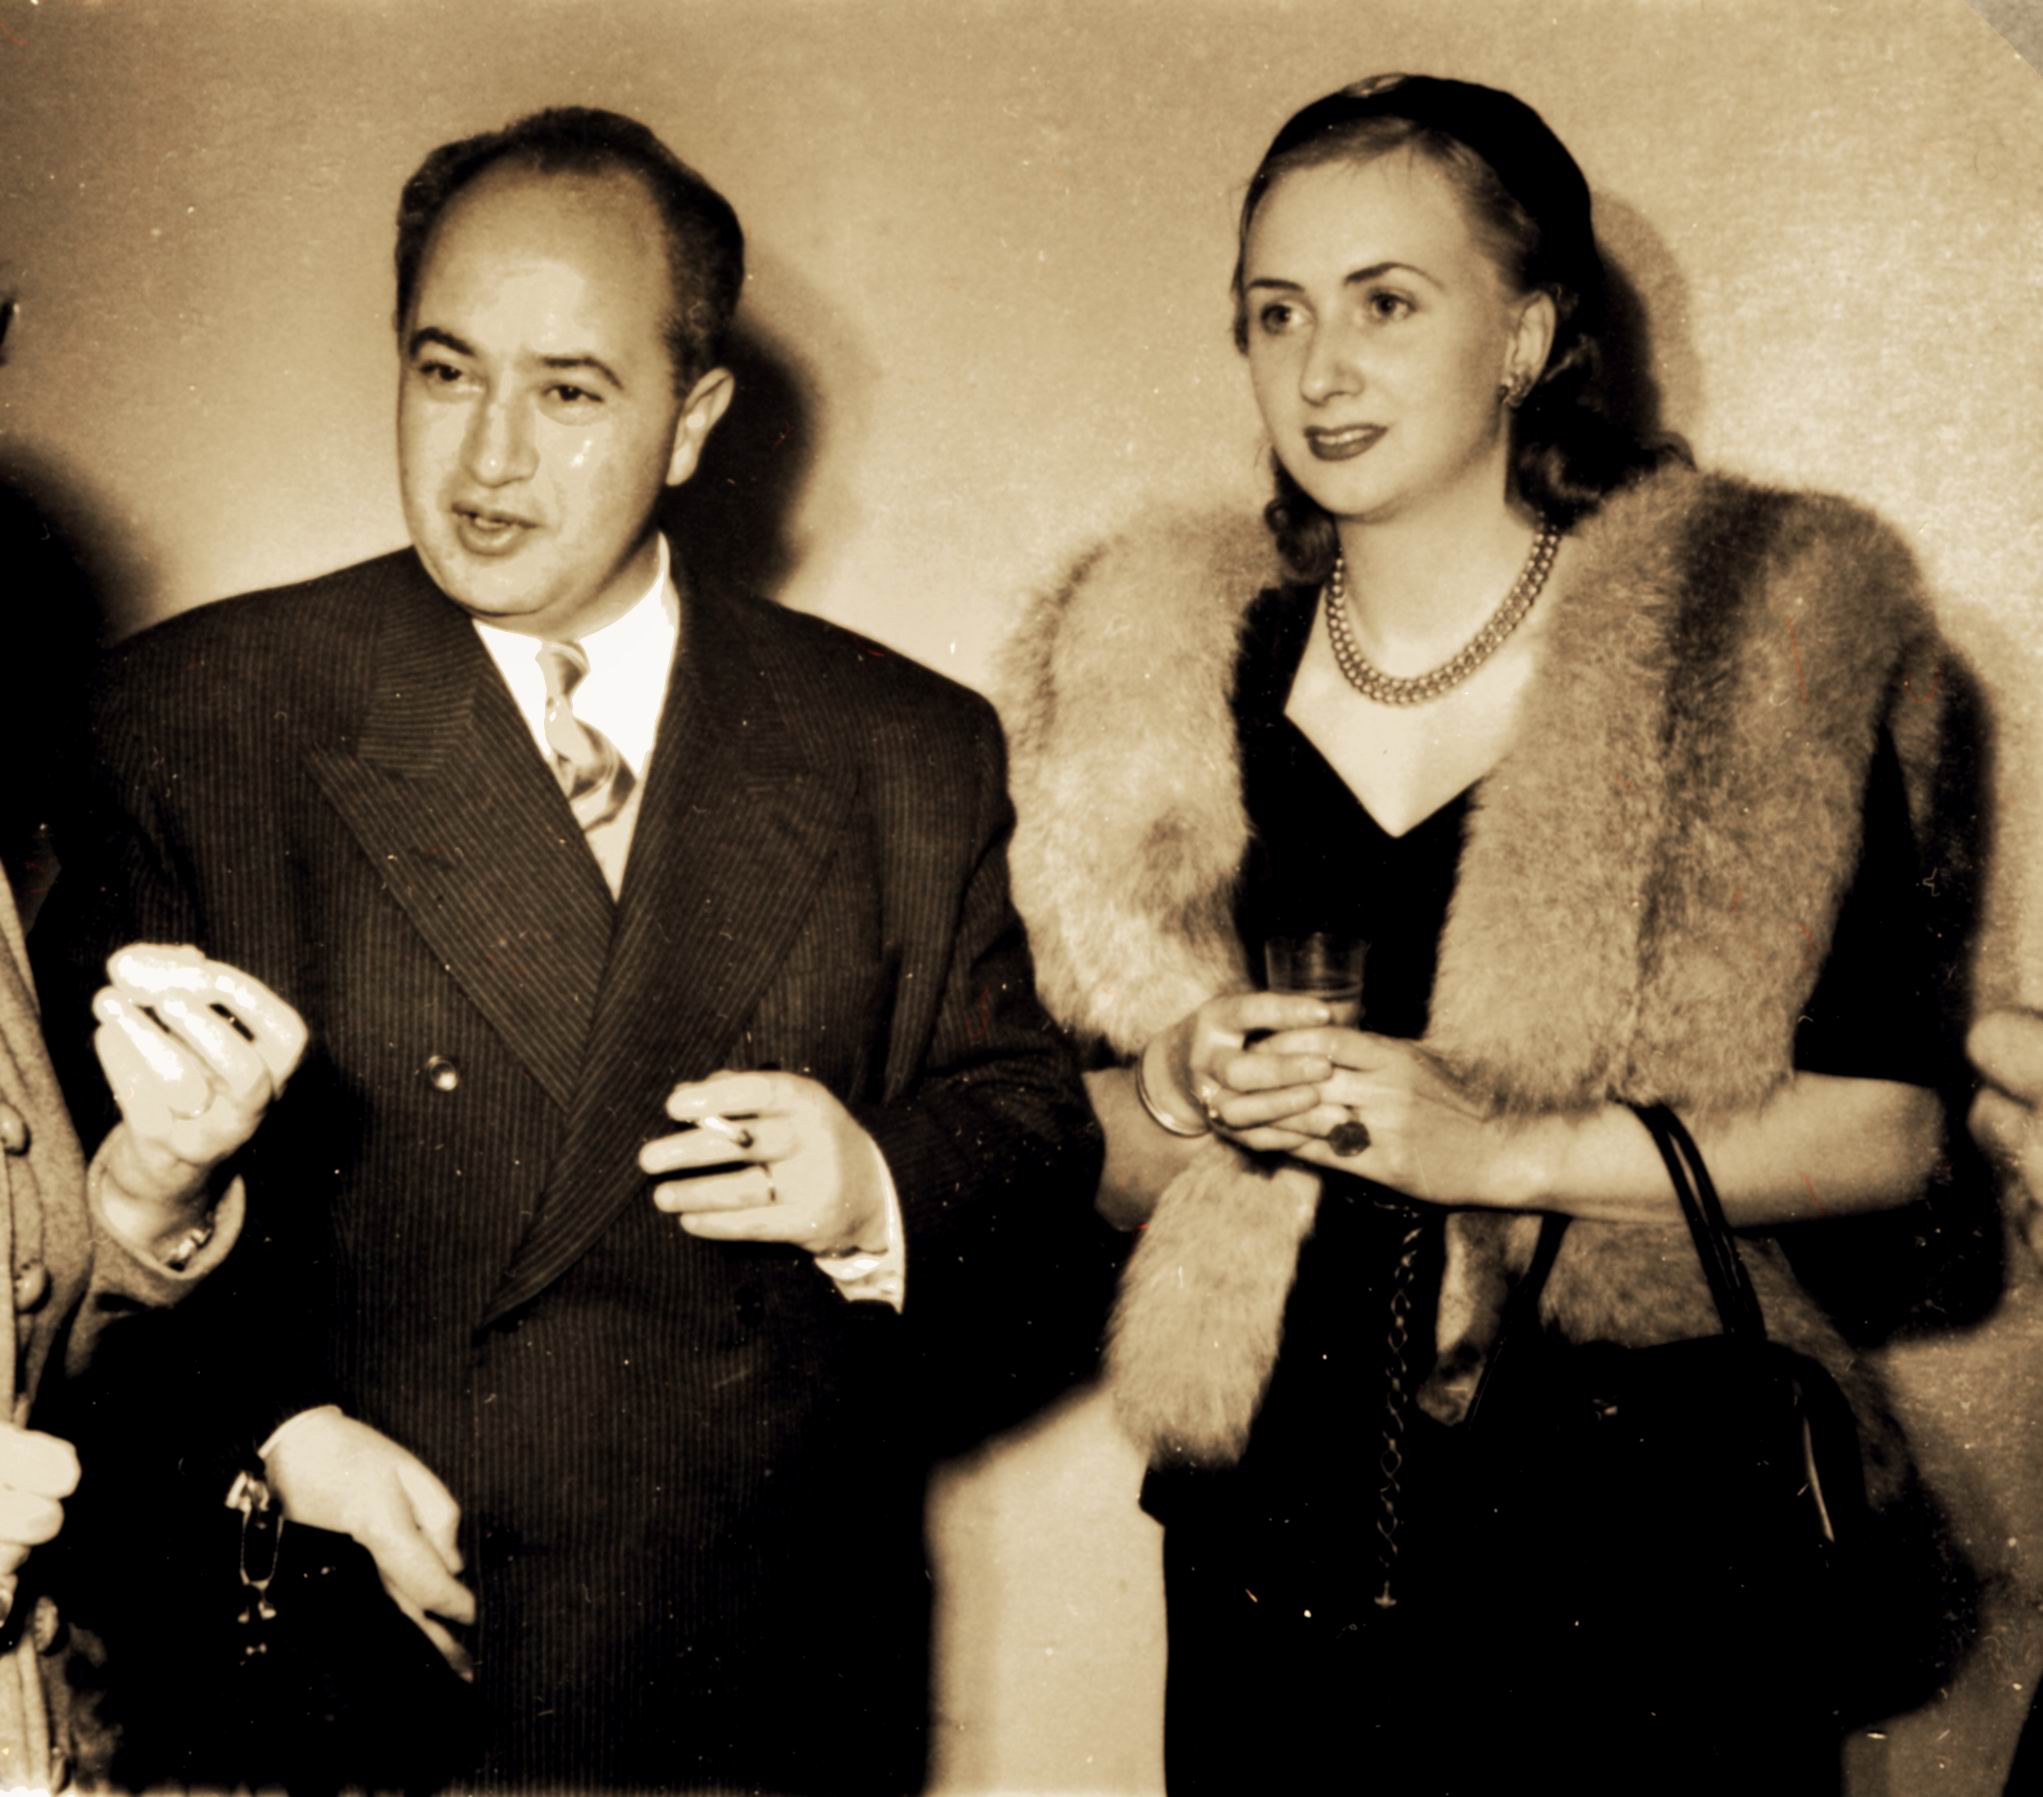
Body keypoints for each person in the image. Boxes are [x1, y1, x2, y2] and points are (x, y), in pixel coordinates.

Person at [32, 105, 1100, 1794]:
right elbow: (58, 1231)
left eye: (571, 392)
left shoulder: (901, 747)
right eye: (446, 372)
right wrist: (274, 1426)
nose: (489, 459)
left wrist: (873, 1183)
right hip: (358, 1689)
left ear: (695, 421)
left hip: (752, 1693)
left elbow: (1034, 1136)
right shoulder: (196, 718)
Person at [1002, 73, 1965, 1793]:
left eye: (1386, 303)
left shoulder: (1741, 661)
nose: (1321, 369)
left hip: (1637, 1550)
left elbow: (1894, 1129)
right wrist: (1178, 1086)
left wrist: (1501, 1148)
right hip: (1270, 1546)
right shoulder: (1164, 685)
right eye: (1275, 313)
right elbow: (1067, 1144)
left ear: (1525, 335)